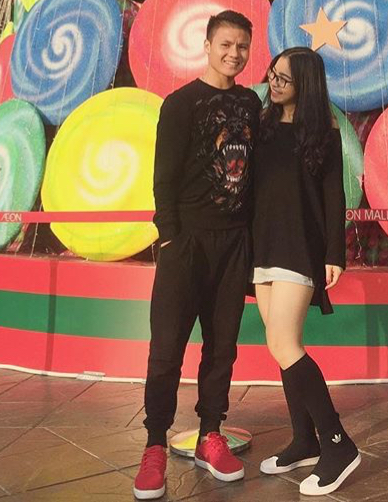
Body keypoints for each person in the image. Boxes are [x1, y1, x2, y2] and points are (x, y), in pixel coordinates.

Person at [134, 10, 261, 500]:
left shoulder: (250, 103)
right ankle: (154, 445)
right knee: (166, 350)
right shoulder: (180, 103)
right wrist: (170, 238)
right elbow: (163, 177)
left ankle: (211, 433)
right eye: (226, 44)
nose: (234, 53)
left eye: (242, 46)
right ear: (207, 46)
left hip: (234, 245)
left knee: (222, 348)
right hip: (185, 244)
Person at [251, 47, 360, 496]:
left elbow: (334, 196)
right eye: (272, 75)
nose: (274, 84)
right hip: (260, 247)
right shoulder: (260, 124)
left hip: (298, 247)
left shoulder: (322, 130)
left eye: (284, 79)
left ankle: (338, 444)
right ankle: (304, 440)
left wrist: (335, 253)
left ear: (307, 85)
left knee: (284, 343)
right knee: (279, 348)